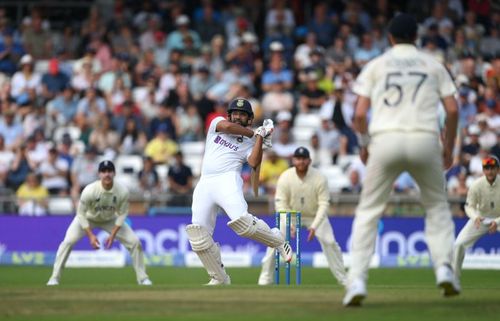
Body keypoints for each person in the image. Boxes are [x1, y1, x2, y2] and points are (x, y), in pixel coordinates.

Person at [343, 13, 460, 306]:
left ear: (390, 38)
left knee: (369, 211)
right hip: (424, 139)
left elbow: (358, 115)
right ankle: (444, 268)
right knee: (436, 207)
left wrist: (365, 144)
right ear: (416, 37)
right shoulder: (433, 65)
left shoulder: (376, 65)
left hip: (386, 139)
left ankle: (356, 279)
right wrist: (448, 147)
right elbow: (453, 110)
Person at [186, 98, 292, 285]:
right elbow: (227, 128)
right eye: (235, 113)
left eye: (242, 114)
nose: (237, 117)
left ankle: (277, 240)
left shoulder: (250, 142)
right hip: (205, 182)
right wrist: (256, 133)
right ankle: (219, 278)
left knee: (243, 224)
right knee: (198, 235)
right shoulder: (216, 124)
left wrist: (259, 139)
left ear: (249, 118)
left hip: (228, 180)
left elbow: (253, 163)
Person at [47, 160, 152, 286]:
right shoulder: (90, 190)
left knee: (135, 242)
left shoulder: (122, 191)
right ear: (99, 174)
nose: (107, 174)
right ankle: (54, 278)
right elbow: (80, 214)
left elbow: (123, 213)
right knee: (67, 242)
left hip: (110, 219)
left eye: (109, 171)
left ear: (114, 173)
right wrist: (90, 235)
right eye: (104, 171)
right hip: (87, 218)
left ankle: (142, 278)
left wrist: (113, 235)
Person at [258, 146, 346, 286]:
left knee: (330, 242)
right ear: (293, 160)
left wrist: (315, 226)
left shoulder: (319, 177)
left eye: (304, 159)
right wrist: (290, 224)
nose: (301, 162)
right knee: (274, 240)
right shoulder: (286, 177)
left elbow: (324, 204)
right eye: (298, 159)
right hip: (290, 217)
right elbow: (280, 204)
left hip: (314, 217)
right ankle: (265, 278)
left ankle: (343, 279)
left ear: (309, 160)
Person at [452, 155, 500, 281]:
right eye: (487, 168)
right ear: (483, 170)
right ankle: (454, 279)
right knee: (459, 244)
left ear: (498, 170)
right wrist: (475, 217)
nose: (489, 171)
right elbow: (469, 206)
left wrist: (497, 222)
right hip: (481, 219)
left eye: (492, 168)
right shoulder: (476, 185)